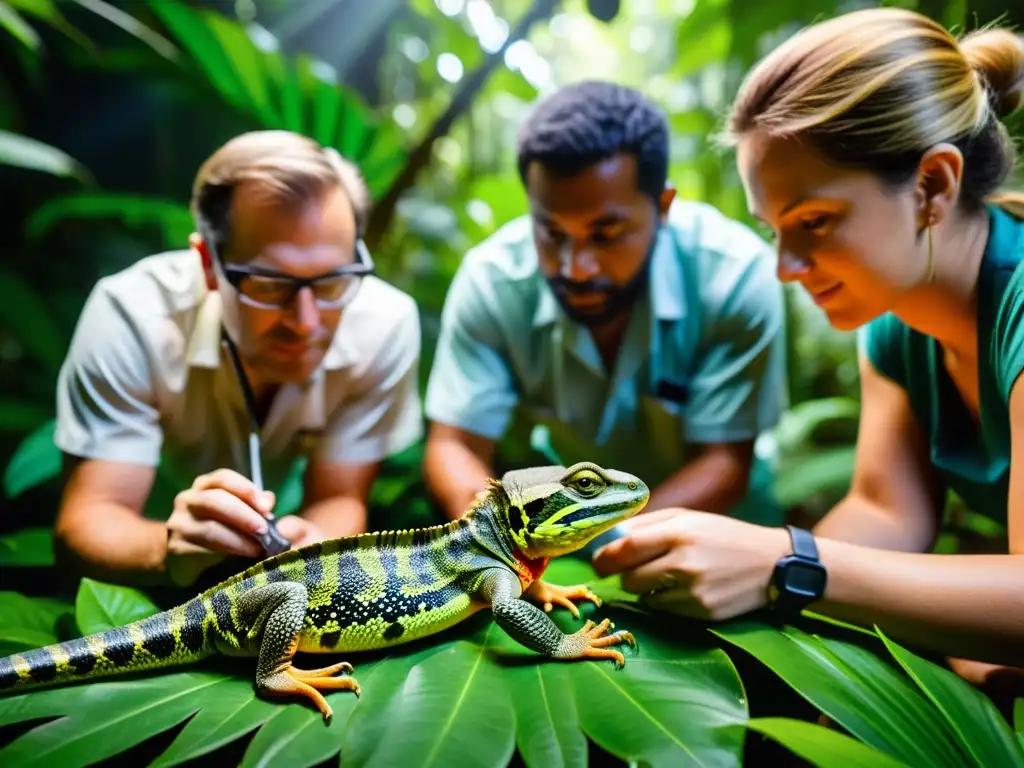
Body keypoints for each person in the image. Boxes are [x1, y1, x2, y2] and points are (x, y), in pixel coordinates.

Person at [592, 7, 1024, 687]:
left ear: (932, 186)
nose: (785, 268)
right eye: (773, 232)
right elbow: (888, 510)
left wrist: (786, 562)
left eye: (814, 222)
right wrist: (713, 562)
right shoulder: (895, 317)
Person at [52, 130, 423, 589]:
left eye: (332, 281)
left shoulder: (384, 325)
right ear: (208, 264)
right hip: (142, 586)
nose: (306, 322)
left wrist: (319, 539)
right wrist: (169, 547)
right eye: (269, 285)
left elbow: (340, 496)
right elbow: (88, 520)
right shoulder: (133, 317)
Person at [422, 80, 788, 535]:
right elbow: (456, 446)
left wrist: (606, 540)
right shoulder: (492, 282)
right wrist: (496, 538)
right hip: (562, 539)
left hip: (726, 537)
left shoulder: (733, 277)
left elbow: (723, 462)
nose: (575, 267)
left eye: (606, 233)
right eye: (552, 234)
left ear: (664, 207)